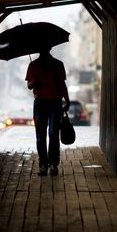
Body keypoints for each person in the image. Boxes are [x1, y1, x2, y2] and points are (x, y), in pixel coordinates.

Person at [25, 47, 70, 176]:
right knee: (41, 135)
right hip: (41, 103)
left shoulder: (57, 64)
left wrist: (66, 99)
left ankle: (52, 164)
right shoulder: (33, 65)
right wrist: (35, 81)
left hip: (54, 103)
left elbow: (62, 85)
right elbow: (29, 85)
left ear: (49, 48)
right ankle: (44, 164)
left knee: (52, 133)